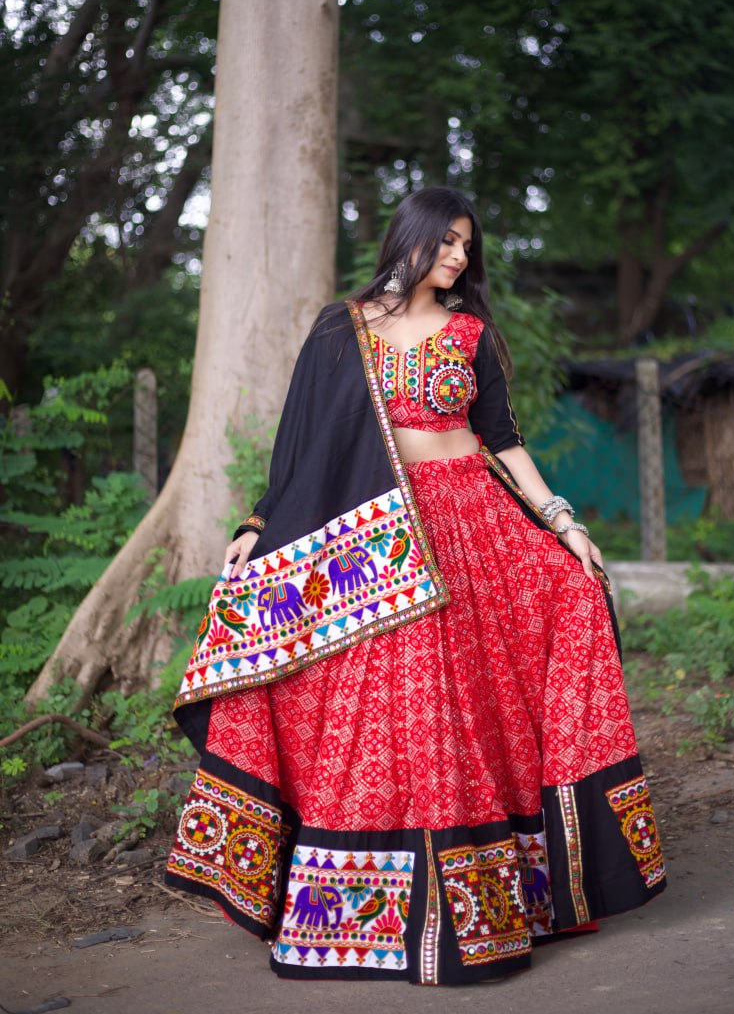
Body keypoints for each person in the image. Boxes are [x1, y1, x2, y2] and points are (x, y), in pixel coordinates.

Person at [166, 186, 665, 985]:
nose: (459, 259)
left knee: (488, 690)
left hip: (477, 527)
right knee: (387, 709)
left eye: (467, 247)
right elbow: (303, 446)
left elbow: (500, 438)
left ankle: (510, 893)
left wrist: (562, 521)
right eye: (448, 243)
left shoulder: (469, 331)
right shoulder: (342, 328)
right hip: (382, 540)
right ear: (412, 237)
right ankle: (366, 901)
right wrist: (258, 526)